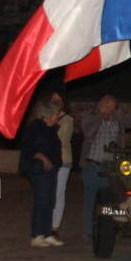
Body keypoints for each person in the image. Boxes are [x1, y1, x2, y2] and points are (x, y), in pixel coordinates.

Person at [78, 91, 131, 241]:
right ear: (100, 104)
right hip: (92, 165)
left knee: (110, 200)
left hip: (111, 167)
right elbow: (87, 130)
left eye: (113, 106)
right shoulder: (90, 115)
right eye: (107, 105)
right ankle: (87, 232)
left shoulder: (118, 118)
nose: (110, 108)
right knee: (90, 199)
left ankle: (108, 231)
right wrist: (100, 116)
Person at [20, 97, 64, 247]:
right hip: (38, 169)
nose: (59, 115)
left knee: (50, 201)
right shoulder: (35, 127)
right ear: (50, 114)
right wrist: (44, 159)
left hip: (51, 169)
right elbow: (29, 148)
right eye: (58, 112)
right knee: (42, 201)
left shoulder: (51, 129)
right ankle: (37, 236)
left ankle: (47, 233)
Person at [48, 89, 74, 241]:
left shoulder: (67, 119)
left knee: (58, 193)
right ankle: (46, 224)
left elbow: (61, 140)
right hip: (48, 160)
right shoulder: (47, 117)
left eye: (57, 100)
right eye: (53, 100)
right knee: (47, 193)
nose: (54, 103)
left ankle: (54, 227)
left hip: (62, 160)